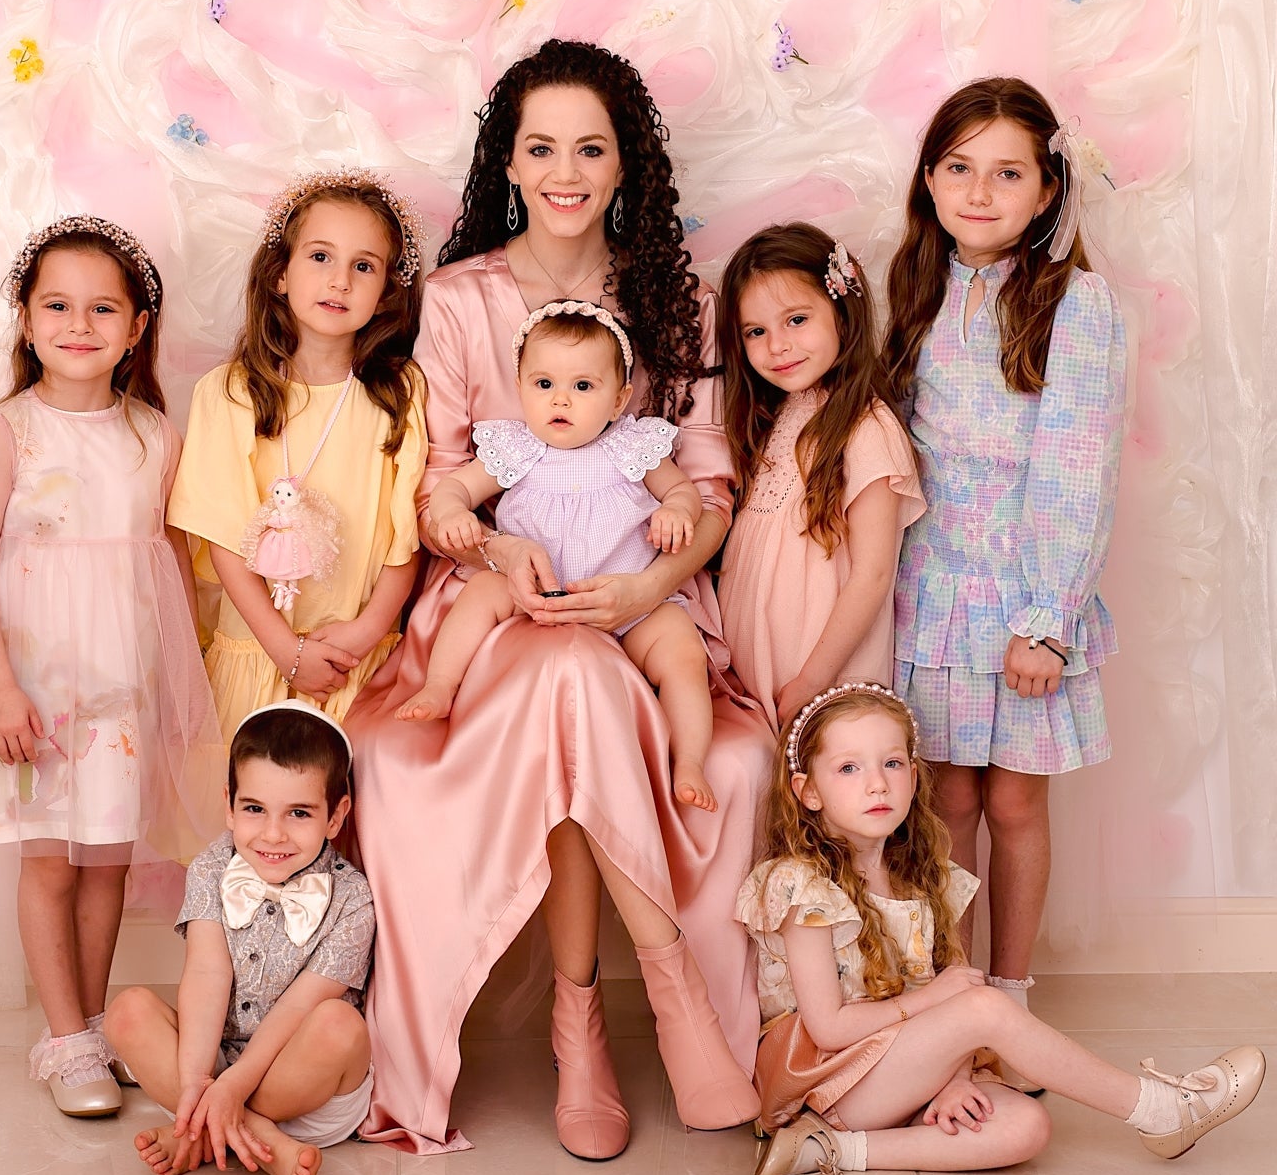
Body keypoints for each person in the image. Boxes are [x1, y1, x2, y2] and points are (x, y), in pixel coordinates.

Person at [349, 39, 767, 1158]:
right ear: (509, 162)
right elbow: (439, 487)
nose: (565, 171)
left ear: (626, 163)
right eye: (541, 148)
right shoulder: (458, 301)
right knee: (571, 670)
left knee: (594, 674)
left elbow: (710, 488)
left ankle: (603, 1018)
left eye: (591, 147)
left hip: (643, 593)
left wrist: (652, 580)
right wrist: (495, 551)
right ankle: (629, 1011)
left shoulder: (680, 302)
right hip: (499, 608)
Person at [737, 684, 1265, 1175]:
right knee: (983, 1005)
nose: (877, 783)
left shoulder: (923, 877)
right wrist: (938, 1003)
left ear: (914, 778)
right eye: (849, 768)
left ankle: (832, 1151)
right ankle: (1162, 1110)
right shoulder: (801, 884)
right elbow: (829, 1028)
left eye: (892, 763)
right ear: (808, 791)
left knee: (1026, 1126)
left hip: (898, 1076)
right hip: (829, 1085)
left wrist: (953, 1079)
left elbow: (940, 1013)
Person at [0, 216, 224, 1116]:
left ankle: (93, 1029)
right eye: (57, 306)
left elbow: (169, 568)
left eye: (103, 309)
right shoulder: (5, 431)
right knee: (51, 860)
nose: (79, 324)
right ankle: (62, 1039)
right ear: (26, 321)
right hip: (35, 687)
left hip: (120, 689)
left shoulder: (153, 435)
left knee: (106, 860)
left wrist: (180, 686)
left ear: (137, 328)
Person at [883, 78, 1126, 1008]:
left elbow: (1076, 465)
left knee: (1015, 799)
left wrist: (1046, 618)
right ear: (930, 179)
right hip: (934, 592)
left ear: (1048, 189)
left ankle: (1012, 992)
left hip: (1024, 589)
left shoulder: (1075, 303)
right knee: (944, 799)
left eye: (1008, 173)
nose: (979, 192)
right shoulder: (915, 288)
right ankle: (956, 995)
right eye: (959, 168)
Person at [397, 300, 718, 812]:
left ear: (619, 399)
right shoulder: (517, 448)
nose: (560, 399)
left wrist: (676, 511)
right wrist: (454, 511)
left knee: (681, 649)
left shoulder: (631, 445)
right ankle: (440, 684)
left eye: (583, 386)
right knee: (481, 592)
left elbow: (685, 492)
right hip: (535, 600)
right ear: (520, 386)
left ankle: (689, 760)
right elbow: (452, 487)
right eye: (543, 384)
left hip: (629, 604)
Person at [169, 170, 428, 739]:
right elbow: (222, 538)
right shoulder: (229, 392)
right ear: (281, 274)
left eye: (364, 266)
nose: (340, 281)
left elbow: (404, 537)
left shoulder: (401, 392)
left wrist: (364, 634)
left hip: (357, 660)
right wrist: (286, 650)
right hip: (259, 648)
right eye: (320, 257)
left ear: (387, 291)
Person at [106, 702, 375, 1175]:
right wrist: (197, 1083)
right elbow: (207, 974)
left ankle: (203, 1129)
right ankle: (252, 1137)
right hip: (209, 1071)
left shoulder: (352, 899)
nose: (273, 834)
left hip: (300, 1089)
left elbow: (300, 1006)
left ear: (336, 815)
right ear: (229, 805)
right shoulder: (211, 866)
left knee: (340, 1026)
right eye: (255, 810)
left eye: (299, 813)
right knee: (127, 1011)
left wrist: (234, 1087)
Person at [716, 222, 924, 732]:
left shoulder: (866, 427)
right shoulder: (776, 418)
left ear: (842, 313)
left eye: (797, 319)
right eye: (756, 332)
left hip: (823, 682)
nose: (777, 345)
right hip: (758, 684)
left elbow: (873, 575)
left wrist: (812, 680)